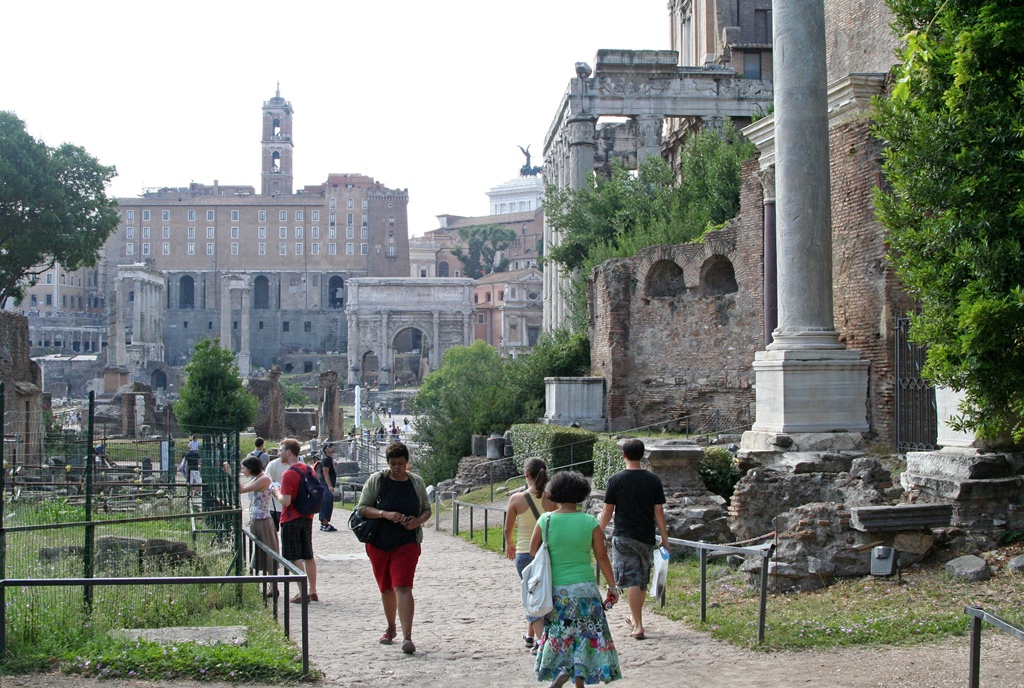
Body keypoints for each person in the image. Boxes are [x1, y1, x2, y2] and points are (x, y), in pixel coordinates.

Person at [532, 471, 621, 688]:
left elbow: (533, 550)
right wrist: (612, 586)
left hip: (557, 590)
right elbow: (601, 556)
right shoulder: (590, 521)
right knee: (585, 635)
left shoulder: (546, 520)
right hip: (585, 590)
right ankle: (579, 680)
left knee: (559, 632)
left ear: (555, 492)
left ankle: (561, 669)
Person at [355, 442, 432, 654]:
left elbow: (426, 509)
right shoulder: (377, 481)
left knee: (403, 586)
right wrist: (385, 514)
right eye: (392, 464)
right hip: (379, 542)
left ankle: (408, 636)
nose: (396, 468)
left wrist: (416, 522)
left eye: (400, 463)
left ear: (407, 463)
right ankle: (391, 627)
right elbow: (362, 508)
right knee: (387, 587)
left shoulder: (416, 483)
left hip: (406, 542)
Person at [598, 438, 669, 641]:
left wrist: (599, 531)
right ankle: (635, 617)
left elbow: (607, 510)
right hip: (646, 536)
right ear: (643, 455)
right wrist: (665, 538)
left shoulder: (616, 480)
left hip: (624, 535)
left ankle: (638, 625)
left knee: (631, 581)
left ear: (624, 455)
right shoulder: (653, 480)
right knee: (641, 581)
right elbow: (659, 512)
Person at [503, 458, 556, 653]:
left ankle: (542, 641)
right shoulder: (552, 498)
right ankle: (530, 635)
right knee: (541, 593)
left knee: (532, 596)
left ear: (526, 475)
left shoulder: (516, 499)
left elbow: (508, 528)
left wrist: (510, 543)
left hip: (525, 552)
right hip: (547, 553)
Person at [271, 438, 319, 603]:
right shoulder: (309, 470)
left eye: (281, 450)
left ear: (288, 452)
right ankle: (313, 590)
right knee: (308, 554)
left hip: (291, 518)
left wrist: (276, 491)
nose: (279, 453)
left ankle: (302, 591)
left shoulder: (288, 473)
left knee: (294, 556)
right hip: (307, 516)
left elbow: (286, 501)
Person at [224, 455, 280, 595]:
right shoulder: (258, 477)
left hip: (263, 521)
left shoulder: (264, 478)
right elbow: (243, 487)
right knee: (262, 553)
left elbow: (242, 489)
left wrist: (231, 474)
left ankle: (274, 587)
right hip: (258, 519)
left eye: (243, 468)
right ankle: (270, 586)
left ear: (250, 468)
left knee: (269, 553)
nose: (242, 471)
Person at [317, 442, 338, 532]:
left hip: (328, 485)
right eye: (330, 447)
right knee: (326, 503)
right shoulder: (326, 460)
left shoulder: (329, 460)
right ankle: (325, 523)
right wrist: (329, 486)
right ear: (326, 450)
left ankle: (324, 523)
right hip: (325, 485)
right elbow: (325, 473)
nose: (332, 448)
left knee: (328, 503)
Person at [265, 448, 285, 531]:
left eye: (280, 451)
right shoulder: (272, 464)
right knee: (273, 532)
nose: (278, 454)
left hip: (291, 507)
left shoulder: (298, 465)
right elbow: (267, 481)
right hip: (274, 506)